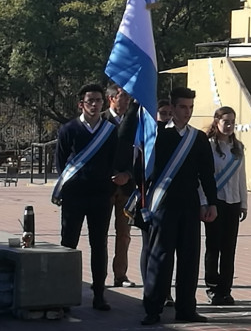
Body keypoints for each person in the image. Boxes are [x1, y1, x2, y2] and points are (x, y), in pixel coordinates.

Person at [140, 87, 218, 326]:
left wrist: (211, 203)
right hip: (163, 206)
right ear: (172, 108)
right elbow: (142, 171)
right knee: (160, 259)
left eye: (191, 108)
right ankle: (153, 309)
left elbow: (207, 173)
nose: (187, 112)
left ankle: (186, 308)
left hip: (190, 206)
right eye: (183, 107)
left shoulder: (199, 138)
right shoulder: (157, 135)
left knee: (189, 259)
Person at [53, 84, 129, 311]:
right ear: (81, 104)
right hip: (74, 198)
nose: (95, 105)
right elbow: (61, 163)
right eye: (90, 101)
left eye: (98, 100)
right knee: (69, 245)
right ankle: (64, 295)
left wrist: (120, 176)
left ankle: (99, 294)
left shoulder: (110, 130)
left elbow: (116, 159)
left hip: (100, 197)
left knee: (99, 245)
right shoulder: (68, 130)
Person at [200, 106, 247, 306]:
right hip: (215, 201)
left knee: (229, 248)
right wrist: (205, 202)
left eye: (232, 122)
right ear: (216, 122)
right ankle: (212, 287)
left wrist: (244, 203)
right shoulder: (208, 146)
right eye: (225, 121)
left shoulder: (238, 147)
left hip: (233, 202)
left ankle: (225, 289)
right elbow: (203, 178)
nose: (229, 126)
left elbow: (242, 178)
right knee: (213, 246)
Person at [103, 83, 137, 289]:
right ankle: (99, 276)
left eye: (128, 97)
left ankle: (120, 275)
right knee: (100, 235)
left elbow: (141, 153)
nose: (126, 101)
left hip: (127, 188)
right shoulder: (101, 121)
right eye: (122, 96)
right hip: (104, 187)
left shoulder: (136, 121)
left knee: (124, 234)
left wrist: (128, 174)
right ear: (111, 99)